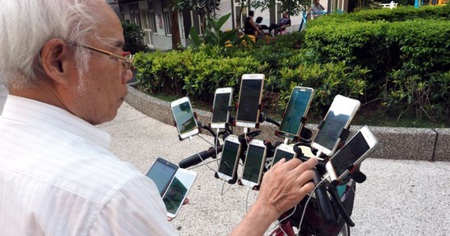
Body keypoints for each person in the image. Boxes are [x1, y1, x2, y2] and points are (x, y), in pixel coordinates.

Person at [0, 0, 318, 235]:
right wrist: (267, 207)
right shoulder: (110, 195)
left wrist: (141, 216)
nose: (129, 72)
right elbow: (101, 202)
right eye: (117, 55)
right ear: (58, 62)